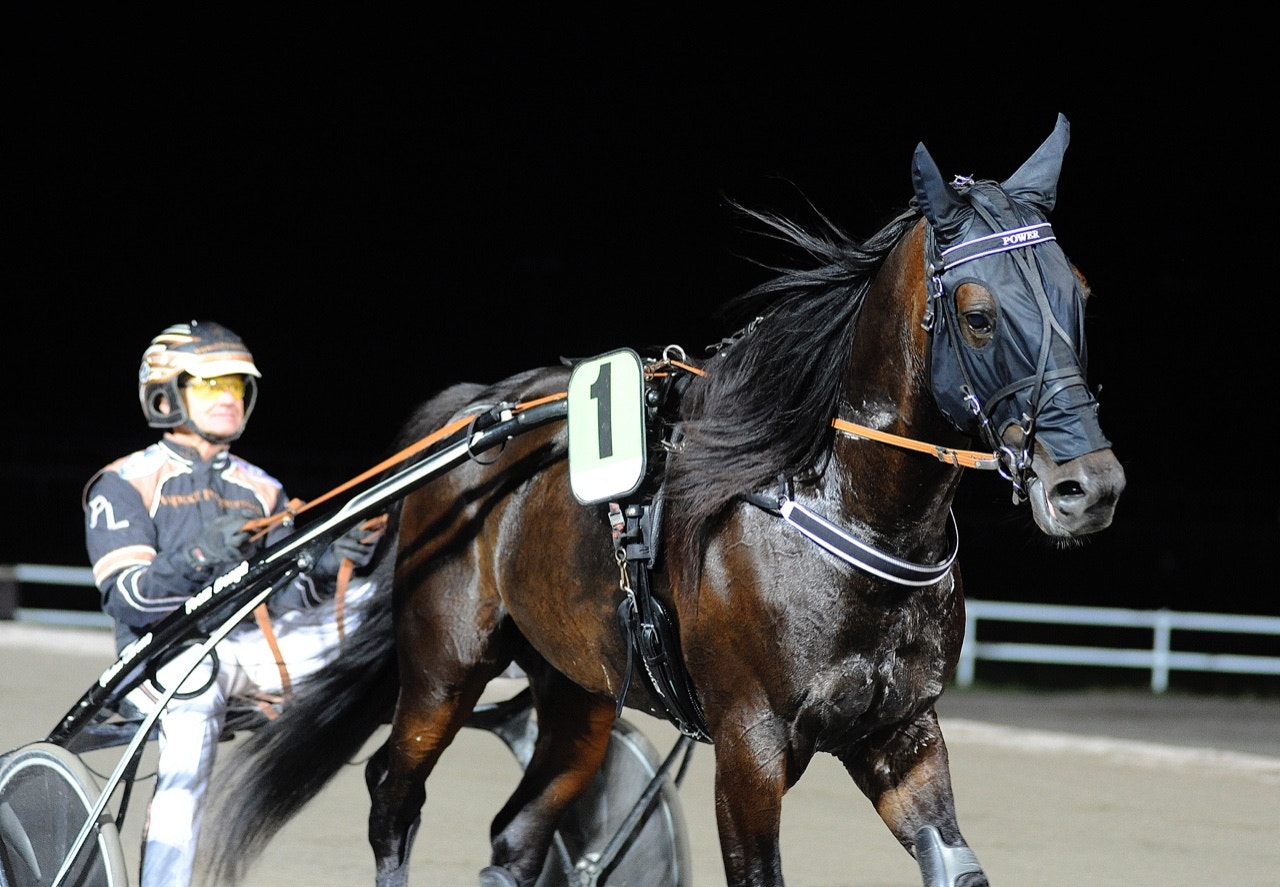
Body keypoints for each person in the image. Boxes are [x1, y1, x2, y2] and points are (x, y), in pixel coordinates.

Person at [82, 319, 386, 887]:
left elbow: (288, 596)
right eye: (210, 384)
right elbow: (128, 600)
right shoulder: (122, 483)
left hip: (249, 650)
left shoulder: (261, 486)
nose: (228, 397)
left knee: (381, 608)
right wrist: (202, 553)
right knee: (198, 678)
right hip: (162, 660)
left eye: (237, 386)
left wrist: (327, 564)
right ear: (166, 393)